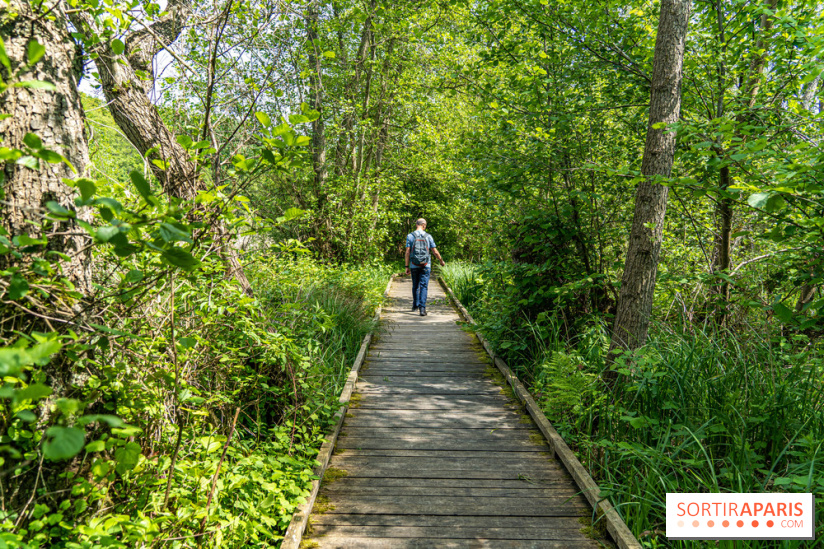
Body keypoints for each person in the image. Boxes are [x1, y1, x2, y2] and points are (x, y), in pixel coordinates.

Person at [405, 218, 445, 316]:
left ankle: (415, 305)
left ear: (416, 225)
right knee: (424, 286)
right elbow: (434, 251)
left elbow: (407, 252)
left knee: (415, 285)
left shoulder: (410, 236)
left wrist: (406, 266)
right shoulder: (428, 236)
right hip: (426, 265)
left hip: (414, 264)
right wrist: (441, 261)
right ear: (424, 225)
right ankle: (422, 309)